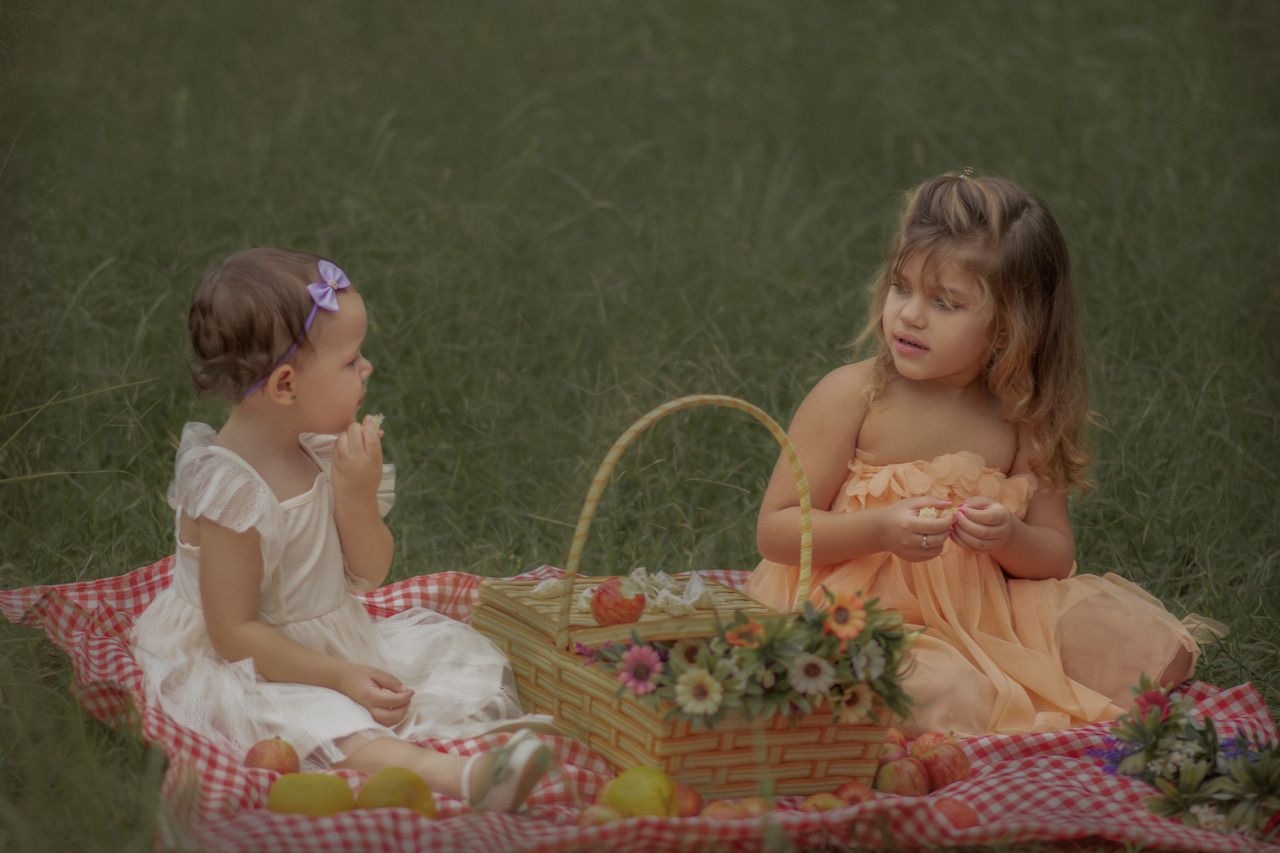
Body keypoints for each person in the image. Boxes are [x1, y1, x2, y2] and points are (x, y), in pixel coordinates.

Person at [748, 172, 1213, 737]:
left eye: (945, 302)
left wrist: (1009, 538)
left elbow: (1055, 558)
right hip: (863, 616)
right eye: (902, 288)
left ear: (1005, 330)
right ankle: (961, 695)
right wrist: (879, 529)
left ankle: (992, 683)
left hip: (989, 614)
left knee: (1143, 642)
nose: (910, 315)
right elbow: (776, 531)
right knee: (944, 692)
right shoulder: (855, 395)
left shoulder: (1021, 417)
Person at [132, 248, 552, 811]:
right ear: (286, 385)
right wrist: (338, 676)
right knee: (321, 724)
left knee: (456, 661)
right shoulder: (231, 491)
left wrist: (355, 500)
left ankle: (484, 753)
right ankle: (464, 776)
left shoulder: (318, 447)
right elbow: (234, 633)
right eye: (351, 360)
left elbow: (370, 575)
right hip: (249, 662)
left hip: (325, 640)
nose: (367, 369)